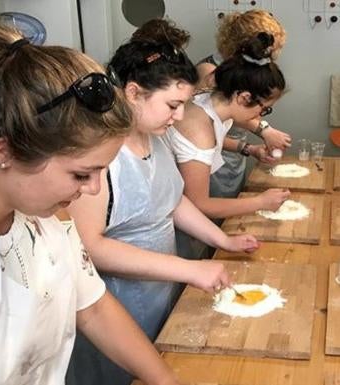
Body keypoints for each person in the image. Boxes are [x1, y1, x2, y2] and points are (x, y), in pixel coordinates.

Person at [0, 26, 188, 385]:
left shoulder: (52, 221)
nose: (94, 188)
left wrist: (167, 380)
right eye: (81, 174)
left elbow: (94, 307)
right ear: (3, 151)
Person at [66, 19, 259, 385]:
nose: (180, 116)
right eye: (173, 104)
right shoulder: (99, 157)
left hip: (160, 295)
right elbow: (91, 248)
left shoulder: (154, 140)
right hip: (112, 312)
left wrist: (224, 242)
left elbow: (174, 202)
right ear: (134, 93)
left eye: (184, 104)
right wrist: (186, 269)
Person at [165, 32, 290, 220]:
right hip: (172, 217)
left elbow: (210, 141)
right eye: (264, 109)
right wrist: (260, 202)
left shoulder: (210, 100)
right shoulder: (199, 131)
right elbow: (199, 204)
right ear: (244, 97)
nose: (259, 116)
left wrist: (251, 149)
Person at [196, 9, 291, 199]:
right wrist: (264, 129)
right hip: (209, 164)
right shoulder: (209, 72)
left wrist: (249, 148)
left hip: (232, 152)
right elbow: (200, 204)